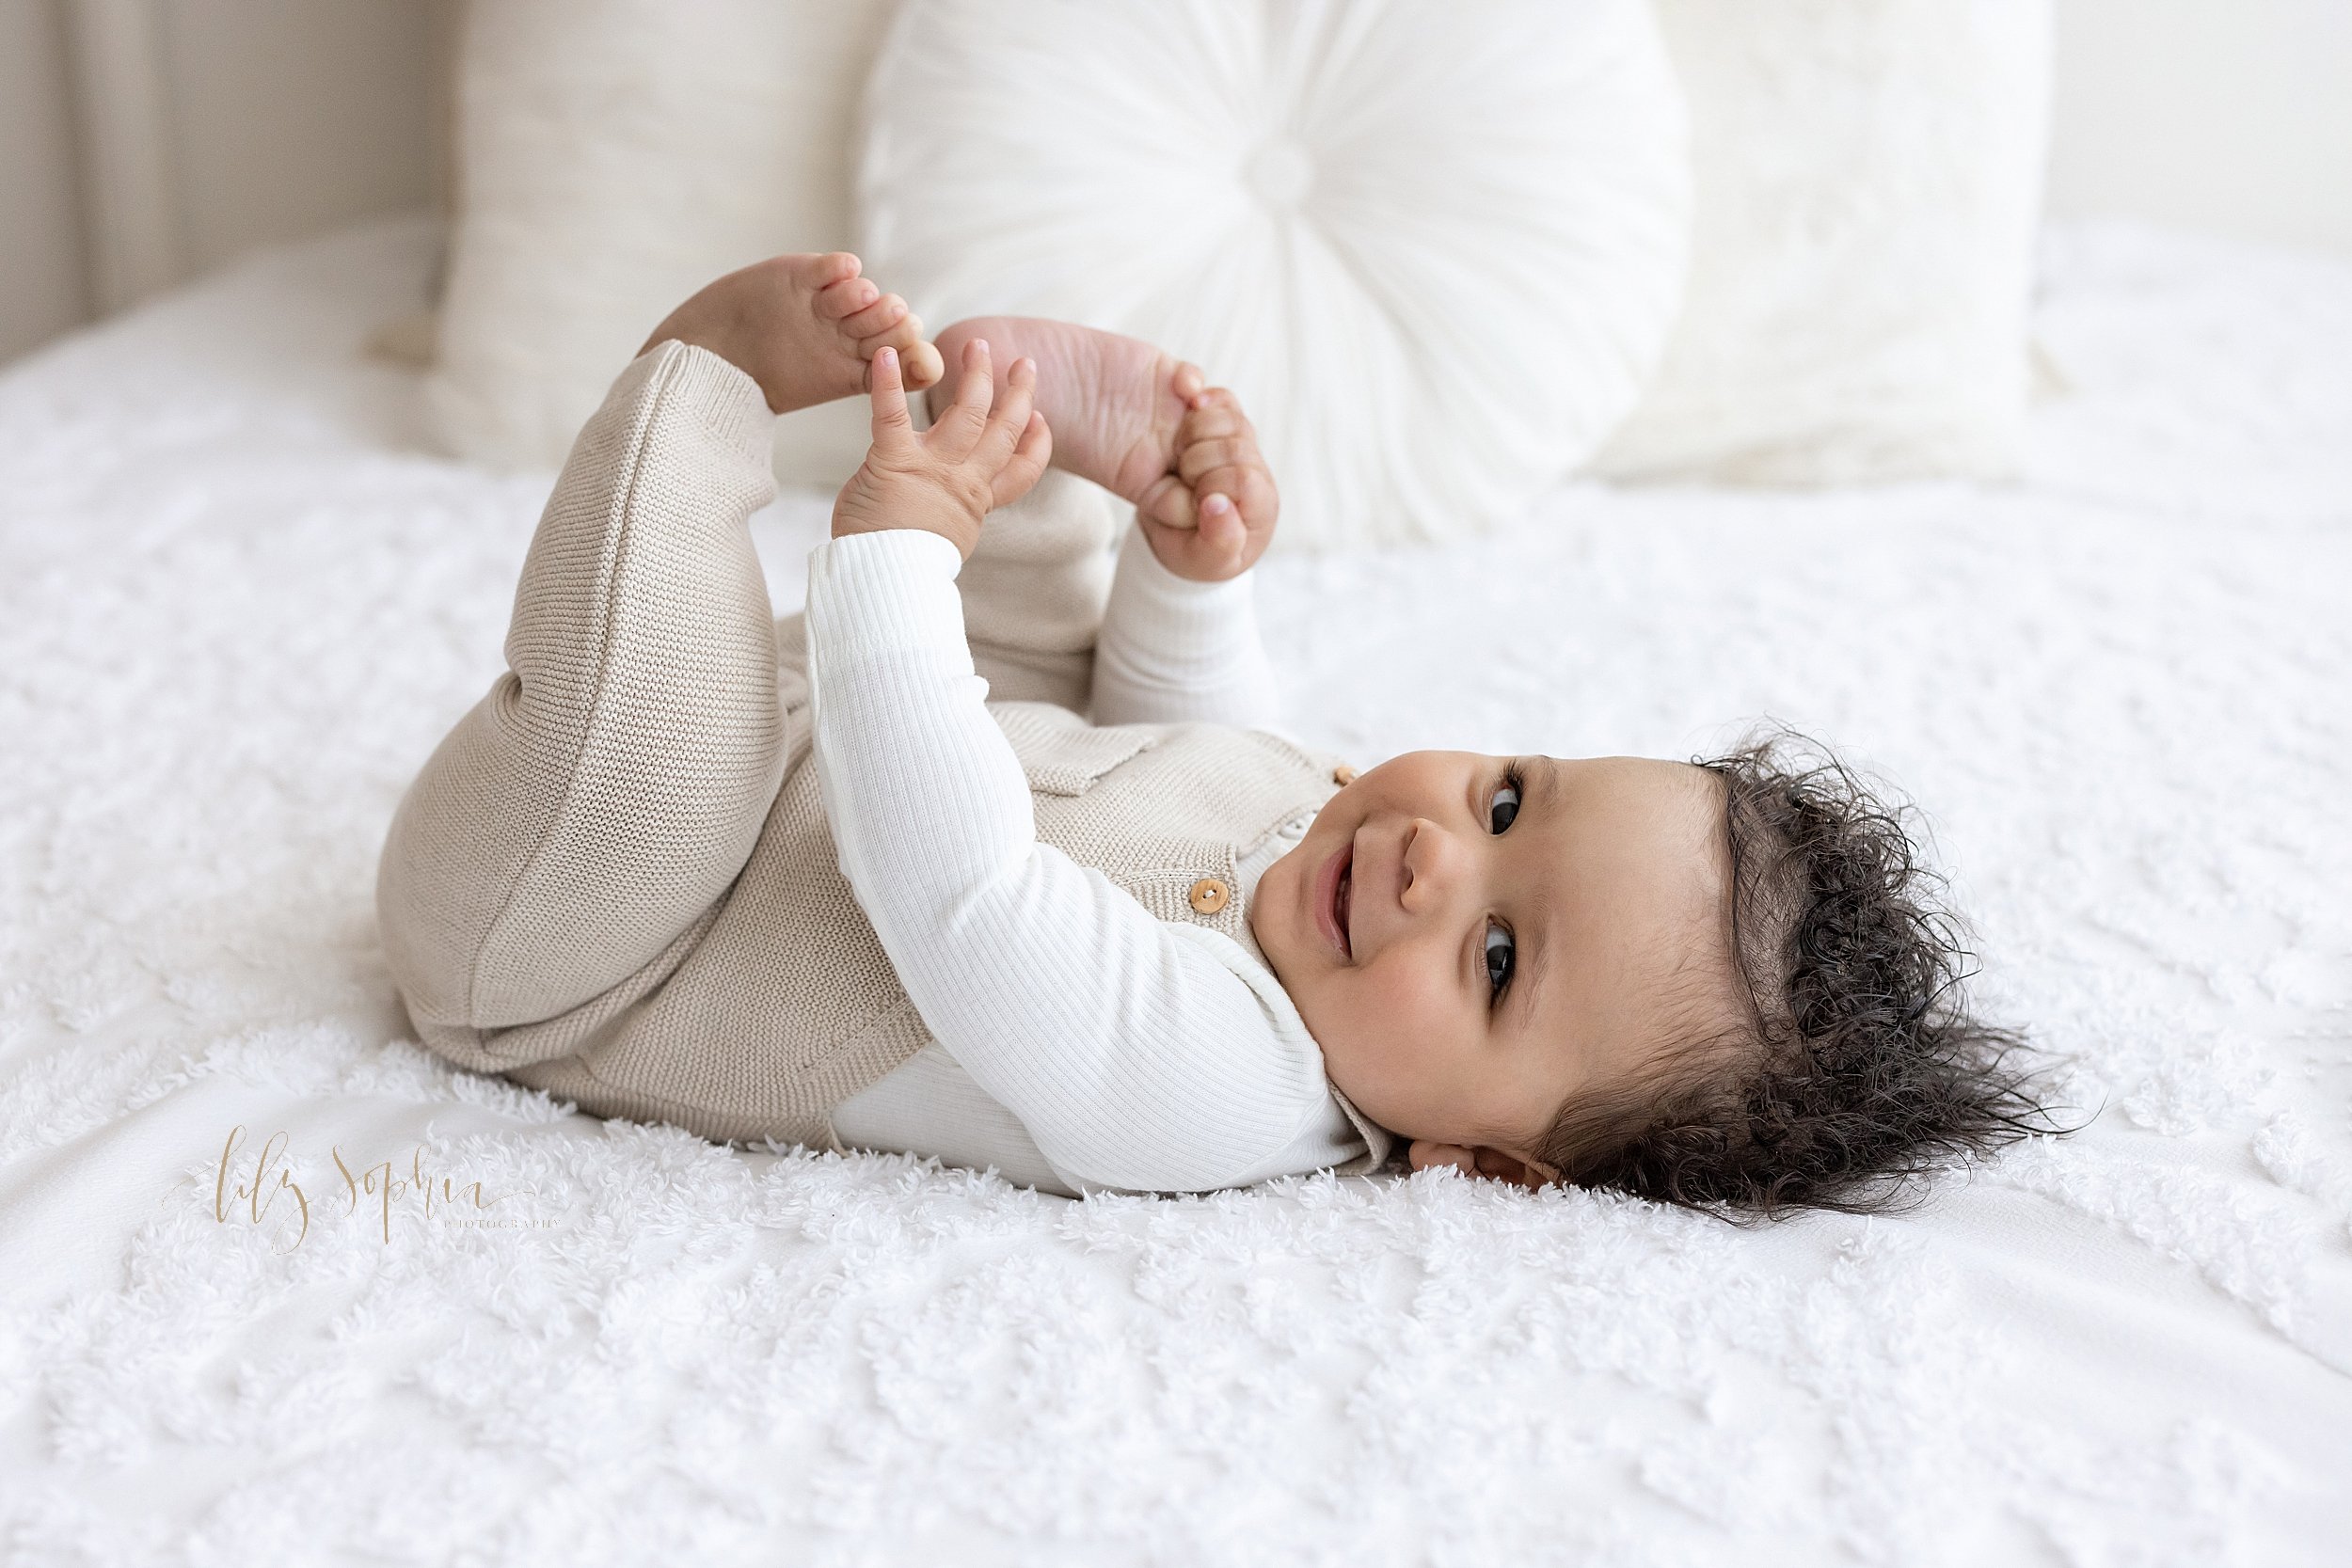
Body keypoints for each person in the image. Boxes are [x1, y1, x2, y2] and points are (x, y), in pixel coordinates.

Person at [376, 252, 2058, 1208]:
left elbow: (967, 898)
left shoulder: (1222, 1093)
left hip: (588, 944)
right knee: (1038, 629)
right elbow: (1186, 758)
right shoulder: (1327, 852)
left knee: (677, 737)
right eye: (1507, 800)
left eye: (1492, 959)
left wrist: (891, 552)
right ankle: (1016, 438)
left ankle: (700, 386)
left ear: (1480, 1165)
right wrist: (1186, 584)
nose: (1427, 857)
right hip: (823, 768)